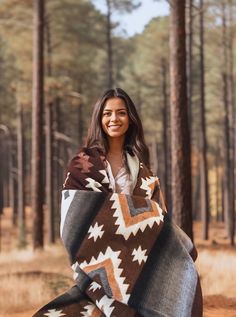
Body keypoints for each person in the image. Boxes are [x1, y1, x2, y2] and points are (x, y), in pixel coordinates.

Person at [33, 88, 203, 317]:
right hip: (97, 263)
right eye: (107, 113)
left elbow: (157, 218)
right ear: (99, 119)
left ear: (130, 119)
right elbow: (74, 217)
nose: (114, 119)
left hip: (136, 262)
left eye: (121, 113)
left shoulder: (141, 169)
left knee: (184, 275)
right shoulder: (83, 165)